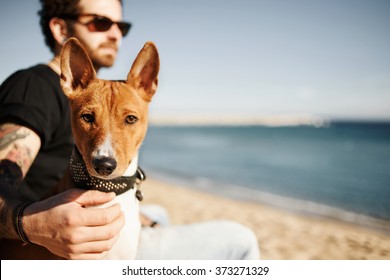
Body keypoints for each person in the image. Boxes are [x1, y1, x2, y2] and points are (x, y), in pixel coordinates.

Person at [0, 0, 260, 260]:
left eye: (121, 27)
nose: (115, 34)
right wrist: (31, 225)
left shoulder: (107, 93)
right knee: (241, 240)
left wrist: (141, 217)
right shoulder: (32, 87)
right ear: (59, 29)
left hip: (96, 209)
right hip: (61, 237)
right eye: (100, 22)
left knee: (159, 214)